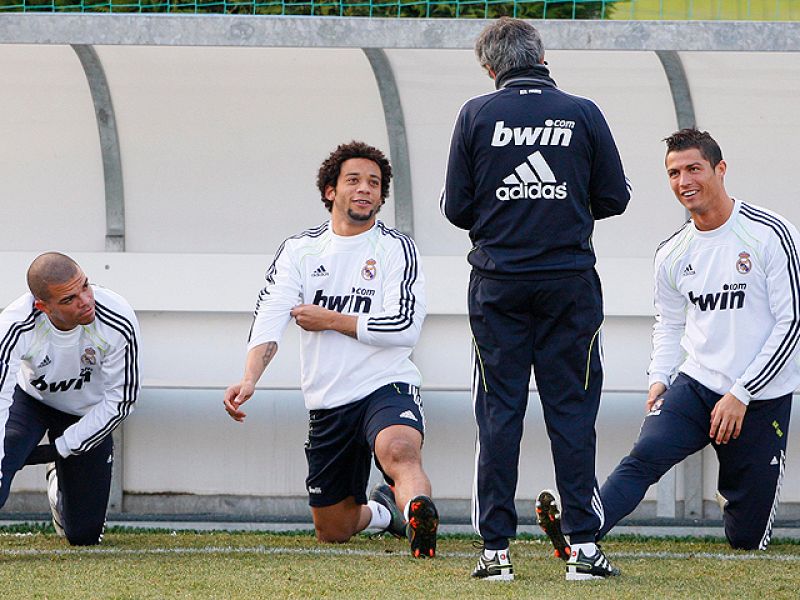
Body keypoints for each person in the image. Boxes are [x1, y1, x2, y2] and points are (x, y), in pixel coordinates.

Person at [538, 128, 799, 558]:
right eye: (674, 173)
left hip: (759, 398)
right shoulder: (673, 252)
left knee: (747, 540)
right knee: (644, 457)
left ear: (720, 169)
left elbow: (791, 324)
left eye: (693, 169)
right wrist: (659, 378)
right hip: (696, 385)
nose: (684, 182)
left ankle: (734, 498)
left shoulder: (770, 233)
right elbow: (669, 323)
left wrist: (742, 393)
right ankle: (577, 533)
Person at [441, 17, 630, 581]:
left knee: (500, 412)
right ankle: (584, 550)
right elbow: (615, 197)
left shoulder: (475, 114)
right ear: (541, 57)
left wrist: (509, 218)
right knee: (572, 411)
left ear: (491, 67)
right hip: (569, 283)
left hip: (498, 284)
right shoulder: (583, 112)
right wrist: (559, 209)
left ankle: (495, 552)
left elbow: (456, 208)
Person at [223, 141, 438, 558]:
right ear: (330, 191)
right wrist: (250, 378)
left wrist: (330, 320)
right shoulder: (299, 250)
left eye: (374, 183)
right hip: (328, 398)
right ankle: (385, 513)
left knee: (400, 451)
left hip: (386, 383)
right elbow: (270, 314)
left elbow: (405, 328)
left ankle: (419, 522)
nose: (365, 189)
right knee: (333, 529)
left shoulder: (397, 249)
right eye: (354, 180)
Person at [0, 252, 141, 545]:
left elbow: (121, 401)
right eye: (68, 299)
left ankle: (58, 481)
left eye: (85, 286)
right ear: (43, 306)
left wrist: (59, 449)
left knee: (83, 535)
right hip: (30, 403)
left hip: (88, 412)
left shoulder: (116, 316)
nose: (86, 301)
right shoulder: (15, 323)